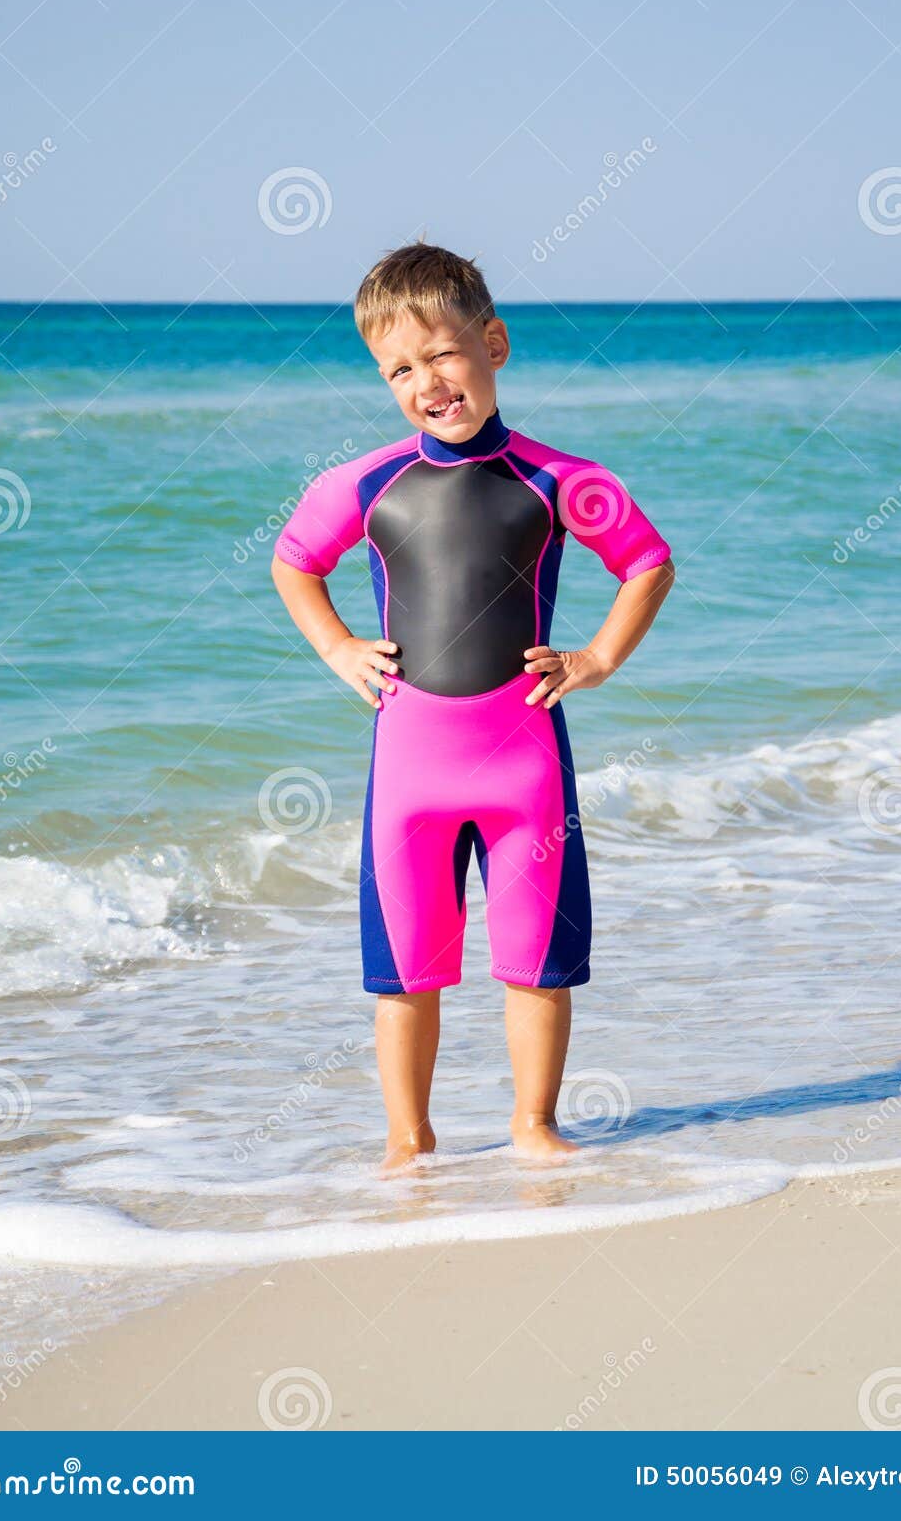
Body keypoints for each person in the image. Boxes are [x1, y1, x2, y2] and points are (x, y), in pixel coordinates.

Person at [272, 243, 674, 1171]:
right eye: (399, 370)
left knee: (536, 961)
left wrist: (598, 658)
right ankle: (407, 1139)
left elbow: (646, 561)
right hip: (408, 772)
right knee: (403, 971)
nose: (427, 384)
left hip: (523, 765)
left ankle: (534, 1125)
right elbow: (295, 560)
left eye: (443, 354)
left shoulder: (556, 477)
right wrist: (337, 647)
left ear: (492, 344)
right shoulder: (366, 483)